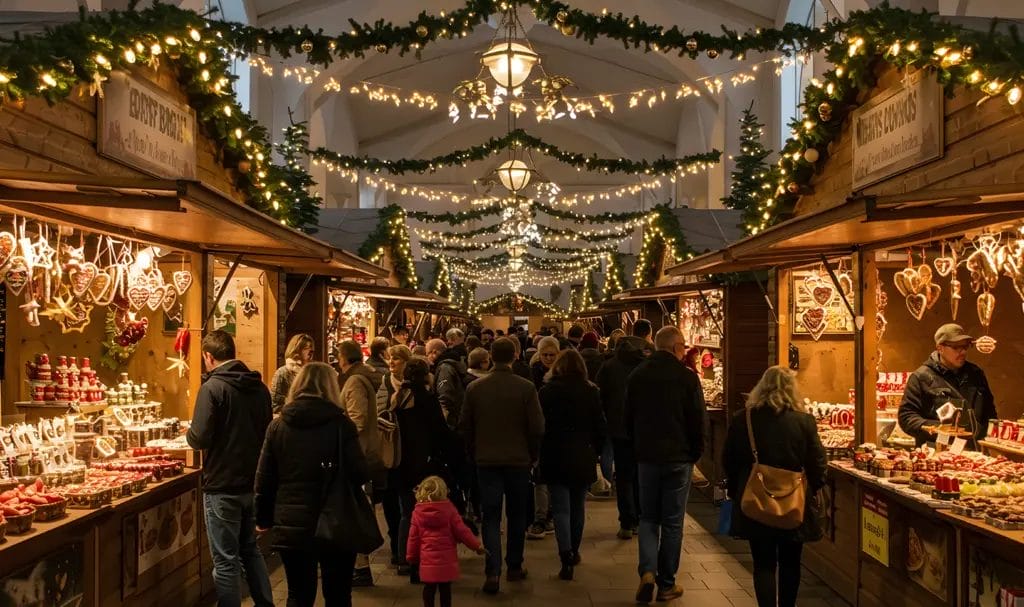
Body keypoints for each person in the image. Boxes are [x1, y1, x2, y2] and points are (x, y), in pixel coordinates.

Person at [254, 363, 369, 607]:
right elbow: (360, 472)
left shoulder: (278, 426)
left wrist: (263, 518)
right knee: (338, 594)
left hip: (293, 522)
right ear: (331, 387)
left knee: (298, 594)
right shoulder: (341, 425)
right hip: (336, 519)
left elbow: (265, 478)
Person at [723, 366, 827, 607]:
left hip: (756, 501)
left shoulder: (744, 419)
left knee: (763, 563)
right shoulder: (805, 422)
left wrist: (733, 488)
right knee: (791, 562)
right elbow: (818, 462)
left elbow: (729, 458)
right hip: (794, 502)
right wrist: (816, 488)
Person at [186, 330, 274, 607]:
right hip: (252, 482)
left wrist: (188, 433)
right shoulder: (259, 387)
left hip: (222, 485)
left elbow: (199, 437)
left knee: (225, 561)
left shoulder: (212, 388)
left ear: (208, 356)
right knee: (250, 550)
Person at [625, 326, 705, 604]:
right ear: (676, 347)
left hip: (647, 457)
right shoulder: (687, 378)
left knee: (648, 518)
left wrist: (635, 447)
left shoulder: (638, 376)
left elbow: (628, 417)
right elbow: (697, 419)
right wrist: (696, 453)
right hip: (678, 458)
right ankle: (666, 583)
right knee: (672, 522)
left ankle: (647, 572)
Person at [460, 338, 544, 595]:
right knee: (517, 515)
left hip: (486, 461)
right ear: (515, 356)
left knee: (491, 517)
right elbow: (537, 427)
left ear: (490, 357)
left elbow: (465, 426)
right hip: (518, 461)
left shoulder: (475, 389)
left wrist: (474, 452)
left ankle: (493, 570)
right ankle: (515, 565)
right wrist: (532, 455)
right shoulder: (526, 388)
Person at [538, 349, 606, 581]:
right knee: (578, 507)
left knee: (560, 509)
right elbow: (600, 425)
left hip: (555, 453)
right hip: (582, 453)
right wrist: (597, 451)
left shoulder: (547, 392)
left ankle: (564, 554)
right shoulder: (591, 391)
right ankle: (574, 550)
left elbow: (540, 426)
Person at [394, 358, 450, 582]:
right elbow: (440, 431)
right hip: (425, 464)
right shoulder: (427, 399)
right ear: (426, 375)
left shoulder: (398, 398)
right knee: (425, 513)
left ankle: (403, 559)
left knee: (406, 514)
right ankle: (421, 562)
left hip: (401, 463)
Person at [899, 323, 997, 446]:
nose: (962, 352)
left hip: (975, 453)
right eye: (956, 348)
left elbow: (990, 412)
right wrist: (937, 429)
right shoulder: (921, 377)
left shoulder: (976, 373)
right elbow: (906, 417)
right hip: (937, 453)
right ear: (940, 348)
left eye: (965, 347)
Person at [336, 339, 385, 587]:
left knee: (356, 510)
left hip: (359, 454)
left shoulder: (354, 381)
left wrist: (340, 440)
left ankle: (360, 567)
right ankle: (359, 565)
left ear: (344, 358)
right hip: (364, 452)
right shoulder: (361, 377)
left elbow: (358, 419)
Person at [596, 334, 648, 539]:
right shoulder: (644, 366)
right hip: (643, 429)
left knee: (624, 476)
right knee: (641, 475)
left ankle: (627, 521)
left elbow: (600, 397)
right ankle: (642, 517)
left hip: (618, 429)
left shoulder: (608, 367)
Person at [406, 476, 486, 607]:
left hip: (427, 561)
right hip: (447, 561)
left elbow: (413, 538)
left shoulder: (417, 513)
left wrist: (411, 557)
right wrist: (476, 546)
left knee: (429, 589)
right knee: (445, 590)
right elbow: (463, 531)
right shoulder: (450, 511)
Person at [377, 345, 413, 568]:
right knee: (391, 500)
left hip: (408, 451)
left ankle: (405, 548)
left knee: (407, 502)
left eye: (397, 359)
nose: (392, 363)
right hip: (389, 451)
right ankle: (395, 544)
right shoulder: (384, 384)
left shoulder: (417, 385)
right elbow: (378, 412)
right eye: (390, 359)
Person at [527, 335, 560, 539]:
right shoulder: (533, 374)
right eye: (545, 354)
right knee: (539, 477)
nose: (548, 358)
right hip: (540, 432)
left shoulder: (562, 375)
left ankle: (551, 515)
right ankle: (540, 517)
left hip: (556, 433)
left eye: (551, 354)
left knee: (553, 477)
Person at [271, 334, 314, 414]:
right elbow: (275, 404)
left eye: (310, 348)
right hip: (290, 418)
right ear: (296, 350)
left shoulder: (312, 372)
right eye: (306, 348)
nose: (309, 352)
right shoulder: (282, 373)